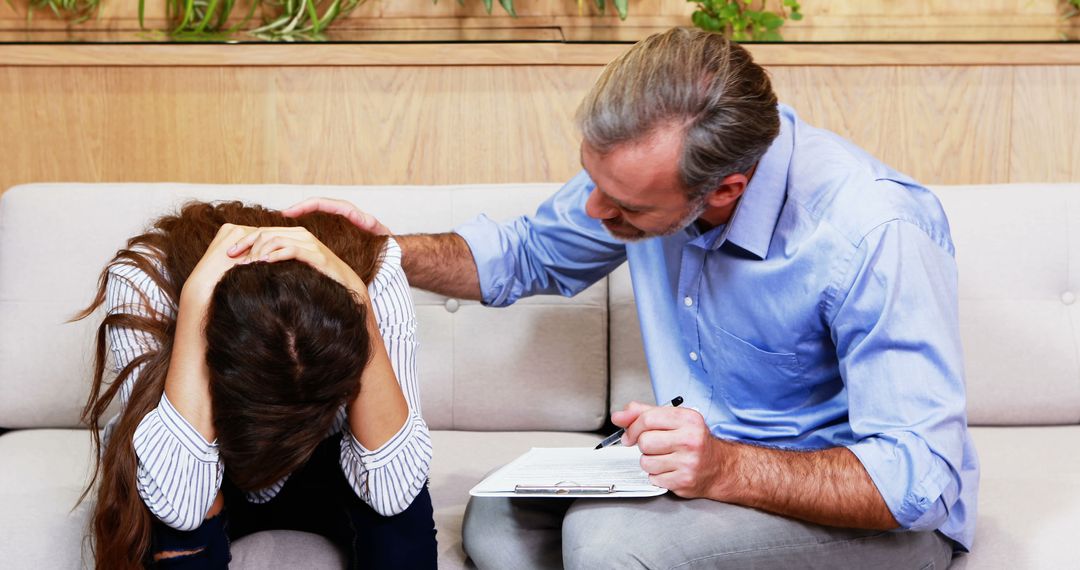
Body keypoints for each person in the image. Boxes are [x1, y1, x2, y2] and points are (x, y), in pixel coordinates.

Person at [275, 27, 978, 569]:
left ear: (725, 189)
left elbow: (916, 480)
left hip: (873, 518)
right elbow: (525, 253)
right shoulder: (643, 181)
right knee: (495, 516)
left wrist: (728, 467)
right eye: (595, 186)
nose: (593, 214)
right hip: (697, 468)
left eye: (623, 208)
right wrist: (378, 250)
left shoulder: (873, 231)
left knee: (604, 542)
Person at [76, 201, 437, 569]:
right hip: (213, 471)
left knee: (397, 493)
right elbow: (179, 505)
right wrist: (196, 306)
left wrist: (360, 303)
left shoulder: (370, 269)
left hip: (324, 472)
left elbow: (395, 490)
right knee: (169, 502)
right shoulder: (146, 279)